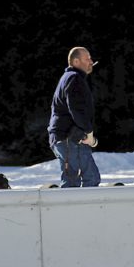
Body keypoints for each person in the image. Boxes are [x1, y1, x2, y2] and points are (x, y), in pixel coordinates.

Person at [48, 46, 101, 188]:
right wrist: (89, 132)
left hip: (67, 138)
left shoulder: (70, 78)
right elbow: (76, 110)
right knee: (83, 180)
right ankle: (83, 209)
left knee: (84, 179)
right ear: (76, 61)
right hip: (69, 139)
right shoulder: (74, 79)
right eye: (87, 58)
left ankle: (83, 209)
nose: (91, 61)